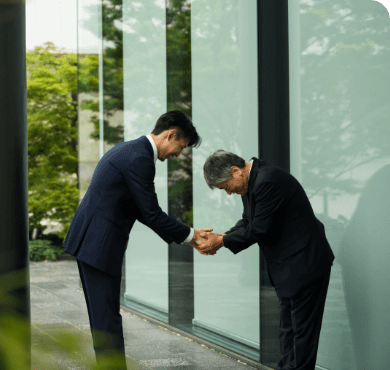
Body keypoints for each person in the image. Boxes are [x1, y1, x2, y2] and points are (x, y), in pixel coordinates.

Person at [62, 110, 213, 369]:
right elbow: (152, 213)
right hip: (99, 245)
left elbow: (140, 210)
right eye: (181, 146)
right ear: (171, 135)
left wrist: (187, 235)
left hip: (92, 242)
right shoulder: (139, 158)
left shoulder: (131, 150)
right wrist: (190, 236)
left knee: (103, 318)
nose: (178, 154)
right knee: (106, 320)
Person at [199, 150, 335, 370]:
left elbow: (259, 229)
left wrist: (220, 242)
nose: (228, 193)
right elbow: (248, 221)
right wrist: (221, 238)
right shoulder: (251, 180)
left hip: (305, 264)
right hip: (289, 267)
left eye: (225, 187)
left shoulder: (267, 181)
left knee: (302, 334)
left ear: (235, 171)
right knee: (288, 330)